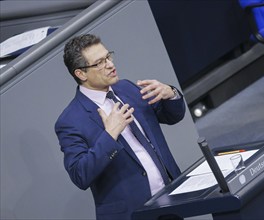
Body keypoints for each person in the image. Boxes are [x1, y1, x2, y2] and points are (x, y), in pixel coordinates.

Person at [54, 34, 186, 220]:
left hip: (170, 200)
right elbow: (80, 175)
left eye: (108, 57)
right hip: (131, 213)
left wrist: (170, 93)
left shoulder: (128, 88)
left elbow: (172, 116)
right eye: (99, 62)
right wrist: (110, 135)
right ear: (81, 73)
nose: (109, 64)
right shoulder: (70, 121)